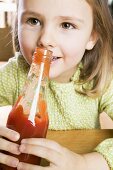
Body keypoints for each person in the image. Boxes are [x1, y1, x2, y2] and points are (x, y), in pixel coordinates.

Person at [0, 0, 113, 169]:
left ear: (92, 37)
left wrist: (83, 163)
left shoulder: (101, 79)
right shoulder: (14, 73)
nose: (45, 40)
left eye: (67, 25)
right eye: (33, 21)